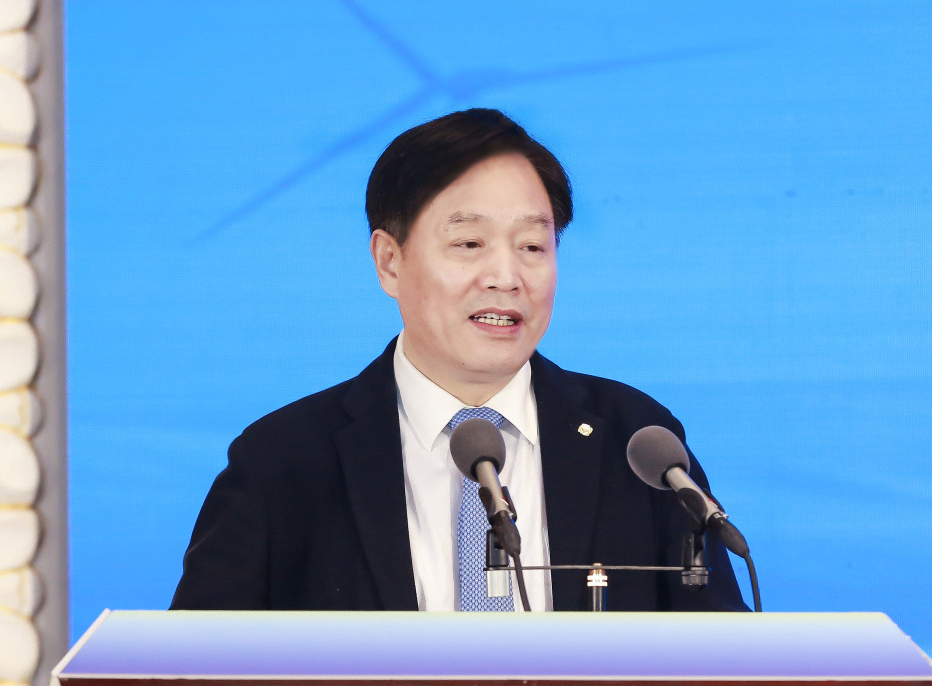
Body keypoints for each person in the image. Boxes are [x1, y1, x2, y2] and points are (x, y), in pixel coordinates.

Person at [172, 108, 745, 612]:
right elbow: (191, 677)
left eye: (533, 247)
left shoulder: (639, 445)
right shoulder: (283, 462)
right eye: (469, 244)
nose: (506, 277)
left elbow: (724, 664)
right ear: (389, 262)